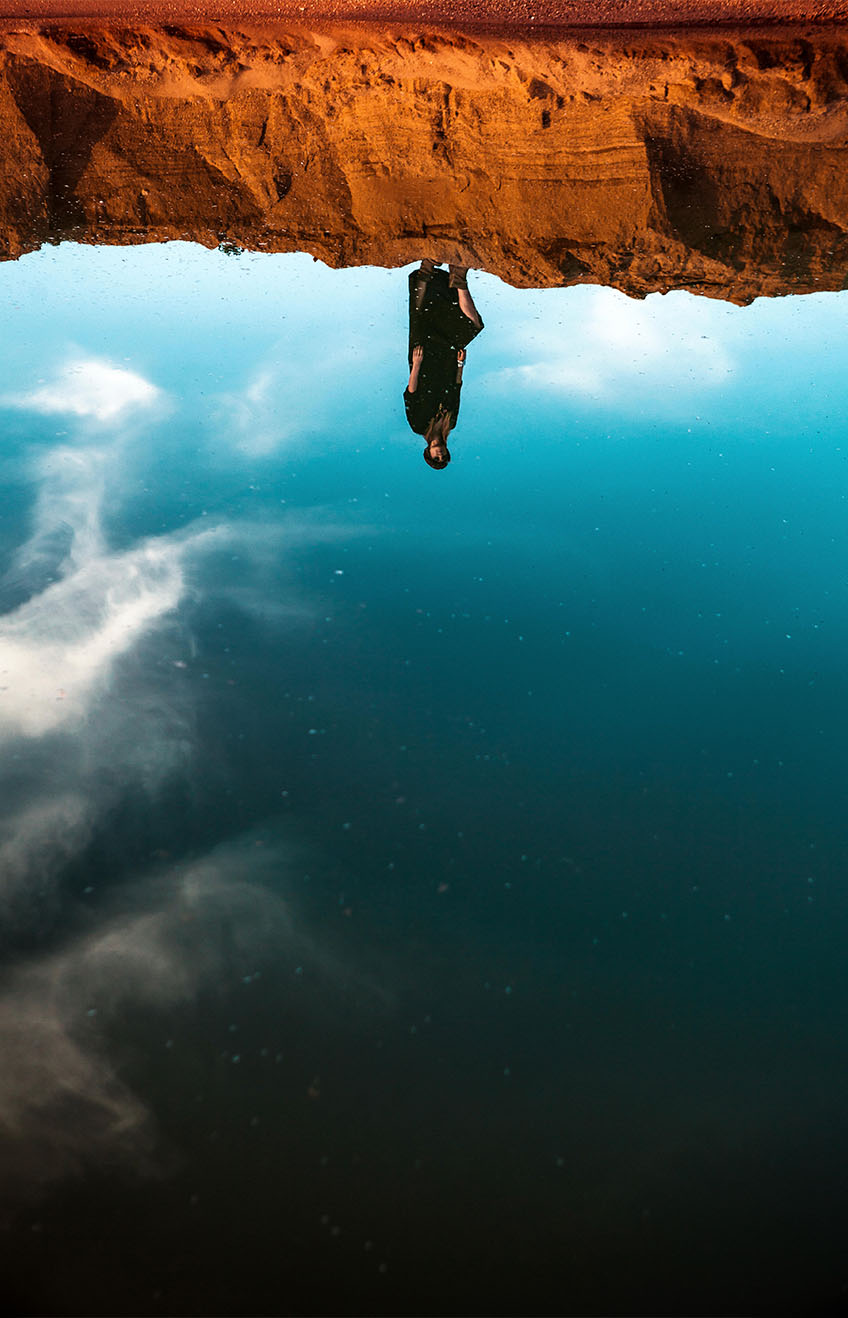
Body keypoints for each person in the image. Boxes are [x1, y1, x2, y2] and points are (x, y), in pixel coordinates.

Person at [404, 260, 484, 469]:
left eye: (435, 457)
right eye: (443, 456)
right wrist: (460, 364)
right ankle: (458, 278)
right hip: (448, 362)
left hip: (424, 362)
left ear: (427, 452)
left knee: (421, 315)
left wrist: (417, 364)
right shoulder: (451, 423)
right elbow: (456, 389)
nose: (439, 454)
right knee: (474, 325)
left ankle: (427, 267)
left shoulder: (419, 425)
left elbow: (411, 393)